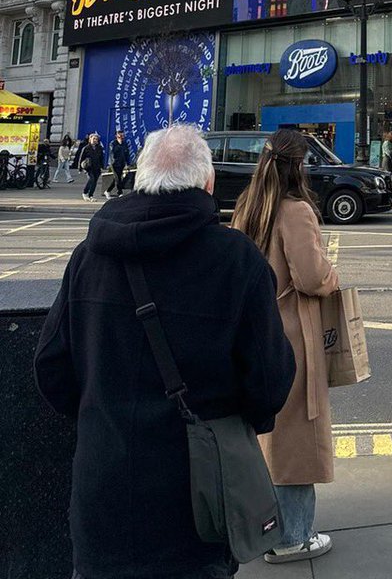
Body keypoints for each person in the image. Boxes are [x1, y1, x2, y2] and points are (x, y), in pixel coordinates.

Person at [34, 123, 295, 579]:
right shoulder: (237, 261)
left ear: (140, 177)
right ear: (208, 183)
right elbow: (270, 382)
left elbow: (52, 367)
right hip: (197, 501)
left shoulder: (87, 257)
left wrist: (101, 415)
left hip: (102, 493)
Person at [231, 129, 339, 564]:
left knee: (265, 437)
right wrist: (332, 274)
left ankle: (264, 527)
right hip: (292, 334)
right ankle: (294, 536)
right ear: (298, 166)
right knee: (296, 438)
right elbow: (311, 277)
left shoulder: (247, 206)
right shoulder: (294, 211)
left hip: (254, 333)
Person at [106, 129, 132, 198]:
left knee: (116, 179)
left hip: (121, 163)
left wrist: (128, 164)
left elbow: (127, 154)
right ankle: (120, 192)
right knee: (117, 178)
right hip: (114, 164)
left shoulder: (125, 143)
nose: (121, 136)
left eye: (122, 135)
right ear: (116, 136)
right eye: (119, 135)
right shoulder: (113, 143)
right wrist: (119, 144)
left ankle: (107, 191)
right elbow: (113, 153)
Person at [79, 132, 104, 202]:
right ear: (90, 139)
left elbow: (101, 158)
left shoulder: (99, 148)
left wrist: (102, 167)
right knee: (91, 179)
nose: (95, 140)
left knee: (95, 182)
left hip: (97, 167)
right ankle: (85, 192)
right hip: (88, 167)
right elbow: (81, 158)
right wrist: (80, 168)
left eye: (96, 139)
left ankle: (91, 195)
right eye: (93, 139)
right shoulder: (86, 148)